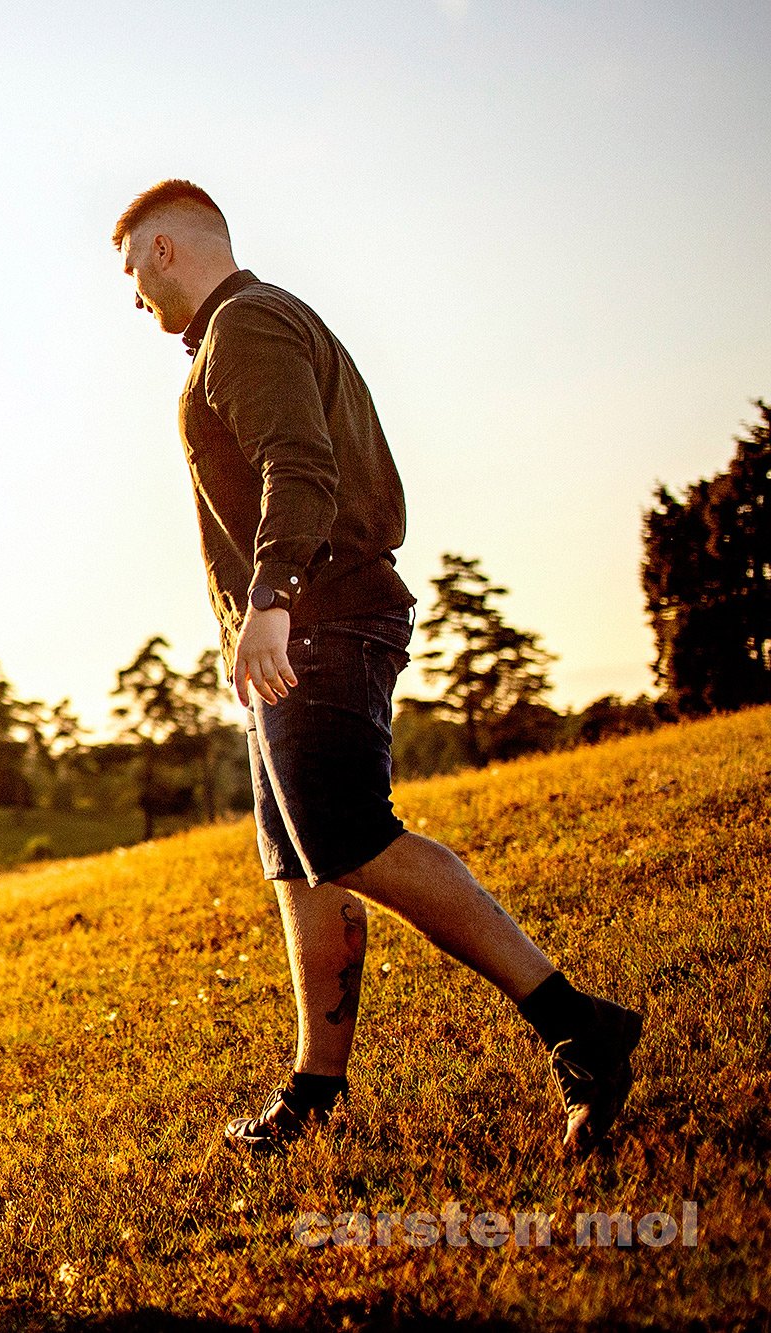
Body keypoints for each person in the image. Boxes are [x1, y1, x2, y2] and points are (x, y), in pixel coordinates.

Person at [110, 178, 643, 1158]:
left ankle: (577, 1024)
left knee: (351, 838)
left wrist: (268, 601)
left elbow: (297, 464)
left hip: (319, 617)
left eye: (128, 269)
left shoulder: (246, 326)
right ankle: (316, 1091)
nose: (129, 296)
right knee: (303, 862)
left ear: (164, 251)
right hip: (294, 627)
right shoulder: (250, 326)